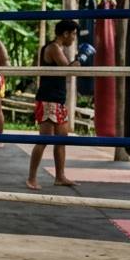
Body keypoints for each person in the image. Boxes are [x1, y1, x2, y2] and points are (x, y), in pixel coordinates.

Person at [25, 19, 82, 191]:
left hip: (58, 99)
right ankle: (31, 178)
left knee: (61, 139)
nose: (73, 38)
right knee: (44, 140)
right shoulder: (53, 48)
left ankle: (60, 176)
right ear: (65, 33)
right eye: (73, 34)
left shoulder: (60, 49)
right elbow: (68, 70)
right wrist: (79, 61)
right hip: (48, 99)